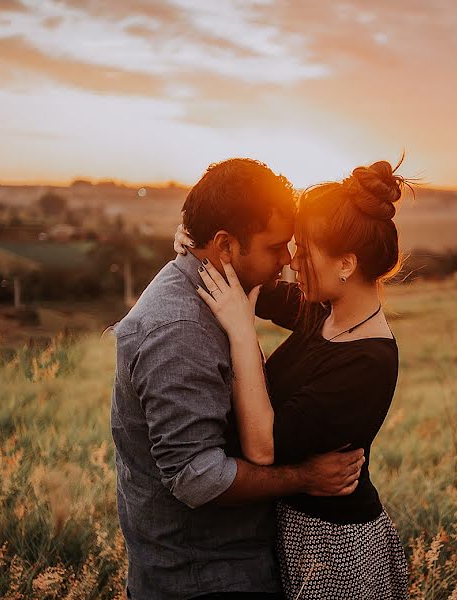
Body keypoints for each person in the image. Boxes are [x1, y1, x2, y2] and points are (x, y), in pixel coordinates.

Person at [111, 158, 365, 600]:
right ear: (225, 245)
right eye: (275, 246)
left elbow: (335, 307)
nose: (287, 259)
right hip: (201, 579)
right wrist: (304, 477)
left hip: (226, 565)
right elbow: (197, 476)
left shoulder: (220, 284)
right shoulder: (178, 333)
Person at [175, 159, 410, 598]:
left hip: (334, 550)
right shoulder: (324, 312)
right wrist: (199, 244)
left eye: (305, 251)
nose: (291, 262)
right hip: (293, 535)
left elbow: (264, 447)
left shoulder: (368, 362)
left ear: (346, 263)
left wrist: (243, 333)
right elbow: (252, 282)